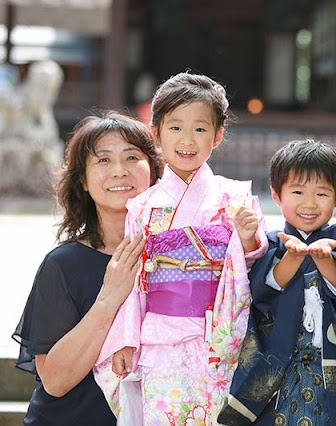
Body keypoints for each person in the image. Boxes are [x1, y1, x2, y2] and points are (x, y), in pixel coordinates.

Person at [93, 72, 268, 425]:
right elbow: (132, 280)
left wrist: (248, 241)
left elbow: (254, 263)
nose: (187, 139)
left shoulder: (235, 198)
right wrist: (127, 339)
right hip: (161, 341)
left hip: (221, 339)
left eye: (200, 129)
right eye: (175, 128)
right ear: (155, 132)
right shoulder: (142, 207)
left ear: (218, 135)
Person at [218, 139, 336, 425]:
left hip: (333, 363)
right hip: (282, 365)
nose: (309, 203)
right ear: (277, 194)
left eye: (322, 193)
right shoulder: (272, 242)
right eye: (297, 191)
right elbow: (263, 293)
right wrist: (293, 258)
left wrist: (325, 259)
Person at [12, 111, 164, 425]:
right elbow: (54, 380)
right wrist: (109, 298)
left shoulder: (178, 256)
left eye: (132, 157)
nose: (120, 171)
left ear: (153, 171)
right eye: (104, 160)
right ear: (83, 180)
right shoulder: (63, 264)